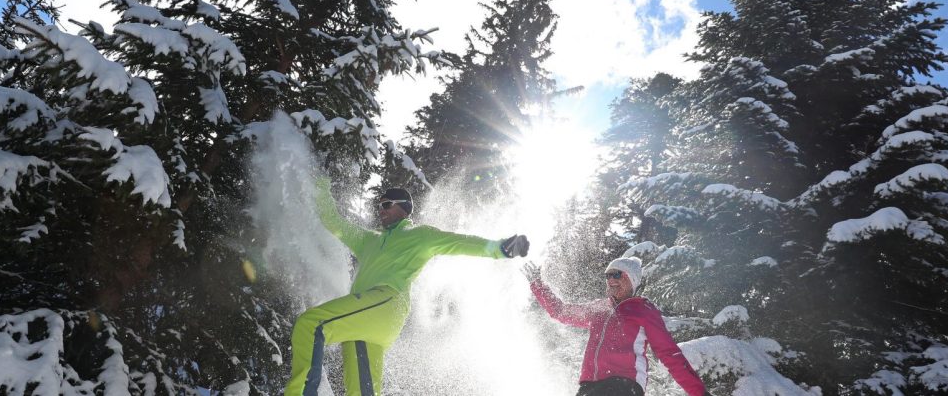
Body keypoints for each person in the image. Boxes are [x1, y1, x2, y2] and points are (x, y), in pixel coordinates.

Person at [284, 177, 530, 396]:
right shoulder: (369, 240)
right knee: (361, 390)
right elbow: (333, 221)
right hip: (366, 320)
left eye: (386, 204)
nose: (380, 210)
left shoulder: (419, 236)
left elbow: (457, 242)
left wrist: (501, 248)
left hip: (387, 302)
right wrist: (320, 184)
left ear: (403, 207)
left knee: (311, 324)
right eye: (379, 205)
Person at [523, 257, 710, 396]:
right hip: (589, 387)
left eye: (617, 274)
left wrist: (699, 392)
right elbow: (561, 311)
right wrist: (537, 284)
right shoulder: (599, 308)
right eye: (608, 275)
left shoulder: (643, 309)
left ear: (632, 280)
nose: (611, 279)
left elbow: (669, 354)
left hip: (623, 386)